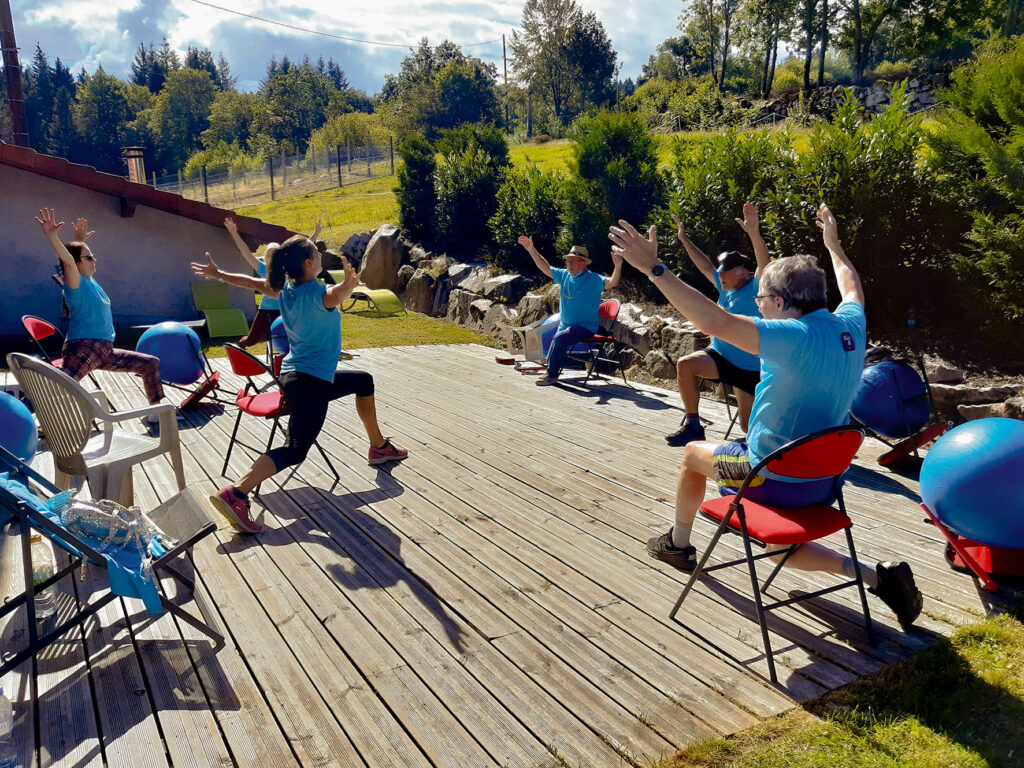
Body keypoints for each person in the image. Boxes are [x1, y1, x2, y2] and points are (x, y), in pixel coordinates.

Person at [608, 205, 923, 630]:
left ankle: (677, 545)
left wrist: (654, 268)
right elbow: (851, 284)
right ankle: (877, 576)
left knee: (692, 455)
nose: (759, 309)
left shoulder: (790, 335)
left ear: (778, 301)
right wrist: (833, 245)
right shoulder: (850, 325)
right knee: (777, 551)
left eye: (761, 301)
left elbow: (713, 320)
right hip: (824, 483)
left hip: (770, 476)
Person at [191, 234, 408, 534]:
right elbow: (338, 295)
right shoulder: (318, 295)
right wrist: (349, 285)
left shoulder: (284, 290)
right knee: (295, 449)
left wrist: (219, 275)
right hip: (311, 383)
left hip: (296, 377)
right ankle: (236, 493)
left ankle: (379, 447)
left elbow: (249, 282)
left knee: (363, 381)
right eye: (316, 253)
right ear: (307, 263)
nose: (320, 255)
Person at [34, 208, 165, 424]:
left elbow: (74, 258)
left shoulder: (90, 281)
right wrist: (52, 237)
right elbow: (69, 261)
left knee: (150, 363)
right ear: (77, 264)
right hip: (86, 347)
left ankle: (155, 415)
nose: (94, 260)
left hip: (104, 350)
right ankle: (19, 417)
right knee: (59, 385)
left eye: (93, 256)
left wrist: (79, 241)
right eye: (89, 257)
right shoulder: (75, 283)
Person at [666, 202, 769, 447]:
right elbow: (704, 265)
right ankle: (693, 426)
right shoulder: (725, 287)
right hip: (720, 357)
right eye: (720, 272)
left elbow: (764, 264)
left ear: (742, 271)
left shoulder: (757, 287)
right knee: (686, 365)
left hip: (750, 368)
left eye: (725, 272)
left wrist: (754, 233)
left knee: (747, 428)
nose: (719, 275)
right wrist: (684, 239)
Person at [516, 237, 623, 386]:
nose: (569, 264)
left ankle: (551, 376)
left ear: (584, 263)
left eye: (574, 261)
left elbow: (612, 283)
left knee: (560, 339)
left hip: (585, 327)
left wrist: (618, 265)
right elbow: (546, 268)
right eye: (568, 261)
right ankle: (589, 357)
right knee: (558, 339)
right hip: (565, 325)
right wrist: (531, 249)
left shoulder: (593, 279)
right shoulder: (564, 275)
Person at [224, 217, 322, 347]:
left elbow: (304, 248)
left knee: (296, 337)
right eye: (270, 254)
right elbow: (245, 252)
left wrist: (316, 234)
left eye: (275, 253)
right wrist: (234, 233)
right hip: (266, 310)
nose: (272, 256)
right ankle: (239, 346)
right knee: (251, 340)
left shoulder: (288, 268)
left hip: (286, 309)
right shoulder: (262, 268)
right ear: (266, 257)